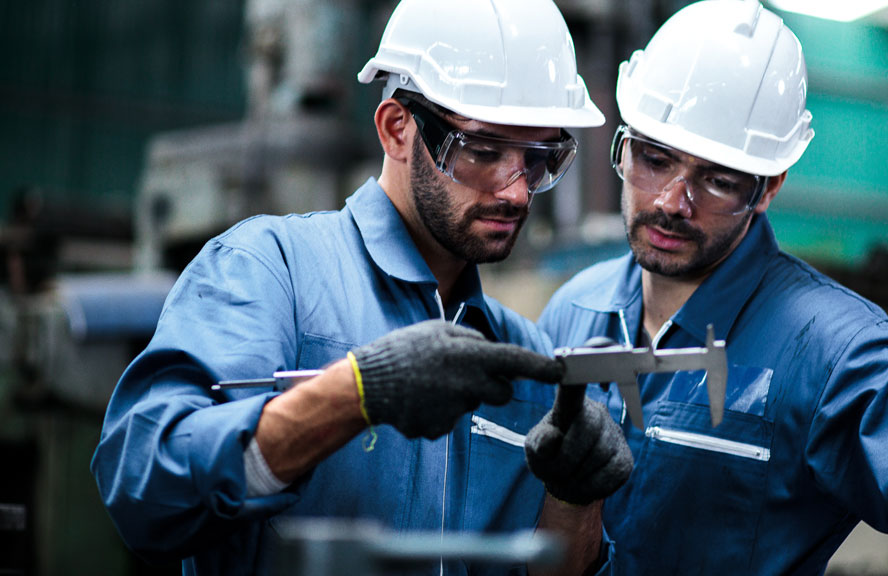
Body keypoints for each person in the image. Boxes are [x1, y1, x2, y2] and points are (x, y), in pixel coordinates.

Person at [91, 1, 632, 575]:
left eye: (540, 158)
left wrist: (575, 498)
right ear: (397, 129)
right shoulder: (270, 274)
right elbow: (143, 491)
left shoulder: (525, 355)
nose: (517, 192)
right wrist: (354, 394)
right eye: (483, 152)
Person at [539, 1, 888, 573]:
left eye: (718, 180)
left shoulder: (835, 352)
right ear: (623, 144)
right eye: (654, 158)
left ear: (769, 188)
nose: (671, 201)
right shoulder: (573, 312)